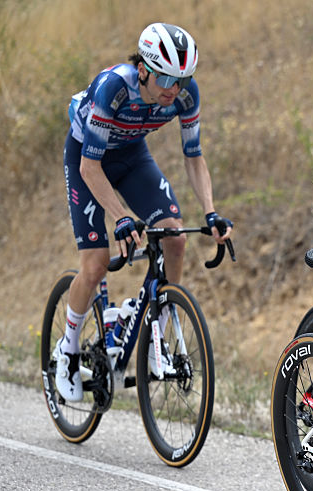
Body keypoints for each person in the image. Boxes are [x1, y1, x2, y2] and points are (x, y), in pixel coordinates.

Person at [53, 23, 233, 401]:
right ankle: (67, 349)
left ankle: (157, 336)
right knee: (95, 264)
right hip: (88, 158)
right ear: (143, 70)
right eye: (165, 78)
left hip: (132, 156)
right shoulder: (114, 88)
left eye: (181, 80)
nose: (173, 89)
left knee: (174, 237)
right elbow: (90, 167)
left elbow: (194, 157)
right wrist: (120, 216)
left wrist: (211, 212)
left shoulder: (185, 96)